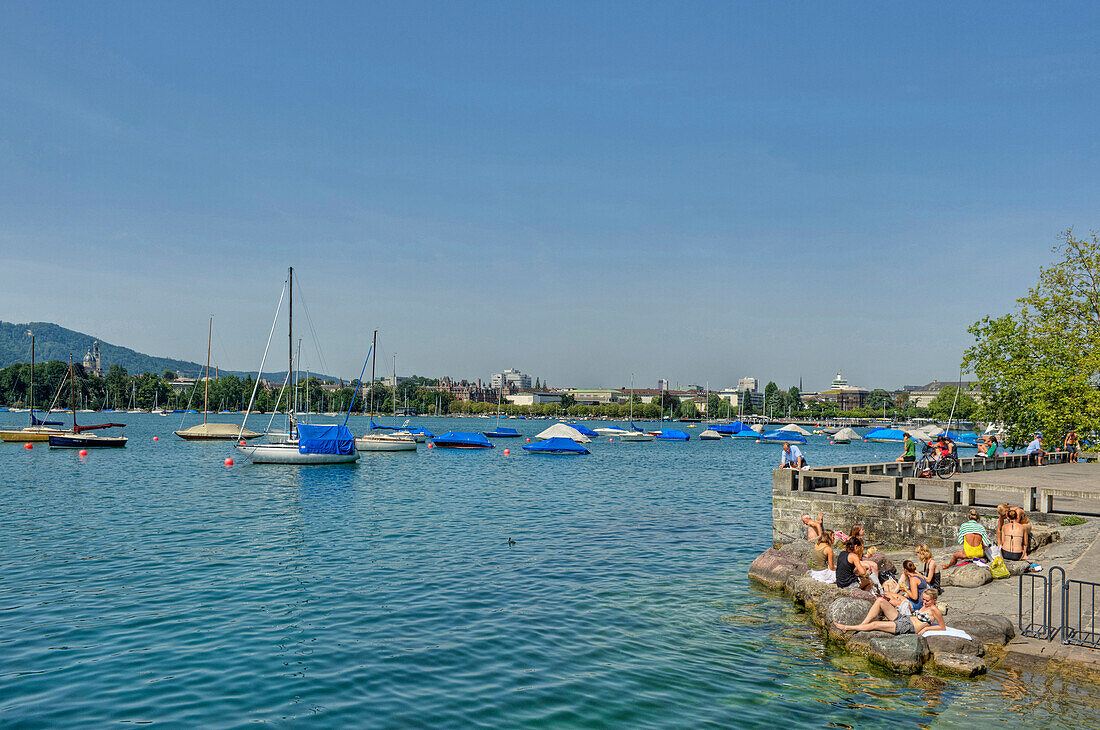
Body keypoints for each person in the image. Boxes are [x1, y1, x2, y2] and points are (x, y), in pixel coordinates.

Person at [833, 588, 946, 636]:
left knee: (876, 625)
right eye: (924, 600)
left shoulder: (934, 610)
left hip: (908, 627)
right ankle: (862, 625)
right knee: (880, 601)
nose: (924, 602)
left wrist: (926, 628)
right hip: (905, 619)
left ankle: (847, 628)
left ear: (934, 600)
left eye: (927, 600)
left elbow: (942, 627)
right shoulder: (926, 606)